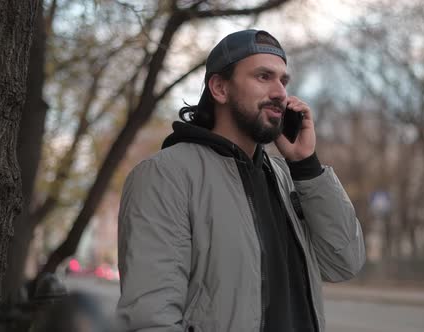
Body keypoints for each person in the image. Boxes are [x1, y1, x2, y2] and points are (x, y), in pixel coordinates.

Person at [116, 29, 365, 332]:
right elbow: (149, 319)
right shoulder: (165, 175)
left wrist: (305, 166)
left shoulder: (288, 178)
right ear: (220, 88)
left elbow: (344, 262)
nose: (280, 93)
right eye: (263, 77)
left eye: (283, 80)